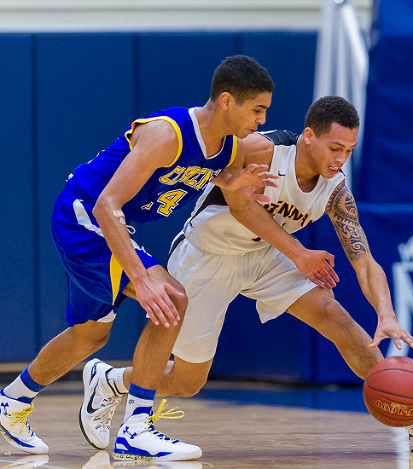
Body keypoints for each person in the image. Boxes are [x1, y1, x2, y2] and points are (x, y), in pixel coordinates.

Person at [78, 96, 413, 453]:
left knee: (334, 314)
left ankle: (410, 418)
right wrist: (298, 253)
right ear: (308, 136)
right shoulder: (262, 148)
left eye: (348, 151)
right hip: (206, 254)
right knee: (187, 381)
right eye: (334, 148)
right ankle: (112, 380)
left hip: (266, 255)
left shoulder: (336, 191)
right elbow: (231, 196)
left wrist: (387, 314)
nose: (340, 159)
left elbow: (364, 260)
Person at [0, 55, 336, 462]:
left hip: (106, 222)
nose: (262, 120)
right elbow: (108, 206)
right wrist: (140, 279)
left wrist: (238, 186)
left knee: (91, 336)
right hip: (86, 216)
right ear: (227, 101)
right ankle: (136, 428)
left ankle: (11, 403)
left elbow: (219, 180)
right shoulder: (167, 133)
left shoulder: (229, 149)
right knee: (171, 297)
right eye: (257, 109)